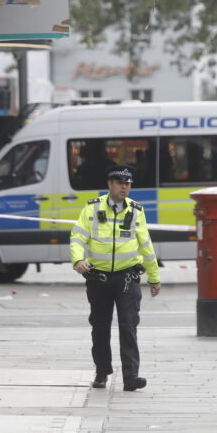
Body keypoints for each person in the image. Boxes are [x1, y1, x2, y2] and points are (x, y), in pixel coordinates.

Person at [70, 164, 161, 390]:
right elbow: (77, 237)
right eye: (120, 183)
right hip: (98, 279)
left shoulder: (136, 210)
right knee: (100, 328)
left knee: (128, 326)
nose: (125, 187)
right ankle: (102, 373)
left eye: (128, 183)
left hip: (127, 278)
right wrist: (77, 260)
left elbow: (146, 245)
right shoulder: (91, 209)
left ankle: (131, 377)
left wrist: (154, 277)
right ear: (110, 184)